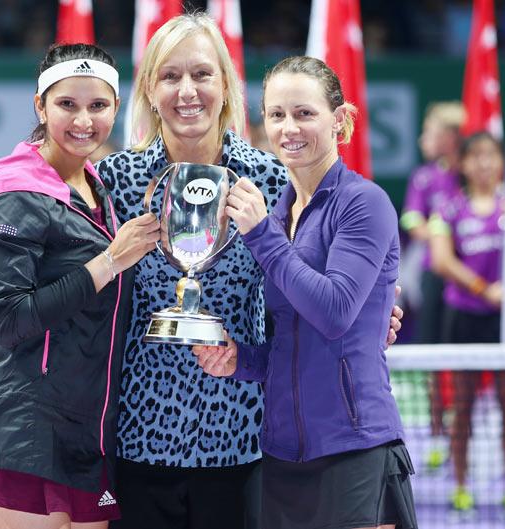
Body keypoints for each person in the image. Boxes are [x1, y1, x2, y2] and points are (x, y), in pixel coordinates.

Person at [96, 14, 403, 529]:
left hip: (243, 436)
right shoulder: (114, 181)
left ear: (226, 85)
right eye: (170, 76)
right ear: (149, 87)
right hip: (137, 433)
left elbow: (319, 289)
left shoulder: (272, 177)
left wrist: (374, 317)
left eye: (202, 74)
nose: (187, 90)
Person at [193, 56, 418, 529]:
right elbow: (291, 344)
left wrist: (261, 237)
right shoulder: (277, 216)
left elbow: (334, 312)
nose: (288, 128)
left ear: (339, 121)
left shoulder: (364, 203)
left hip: (355, 450)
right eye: (276, 115)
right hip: (281, 457)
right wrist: (240, 360)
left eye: (304, 113)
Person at [0, 43, 160, 529]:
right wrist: (111, 260)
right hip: (22, 425)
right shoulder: (12, 193)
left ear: (116, 109)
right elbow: (7, 320)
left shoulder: (96, 189)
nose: (83, 120)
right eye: (67, 104)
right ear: (40, 106)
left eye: (98, 105)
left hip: (89, 427)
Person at [429, 131, 505, 512]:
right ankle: (461, 485)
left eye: (492, 155)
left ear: (502, 161)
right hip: (463, 319)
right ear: (464, 164)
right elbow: (441, 260)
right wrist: (485, 288)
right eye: (477, 156)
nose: (484, 163)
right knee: (462, 406)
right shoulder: (447, 209)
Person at [400, 102, 465, 469]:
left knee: (466, 361)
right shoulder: (423, 178)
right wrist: (441, 236)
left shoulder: (470, 173)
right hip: (434, 276)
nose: (424, 139)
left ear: (450, 137)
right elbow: (412, 218)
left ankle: (459, 433)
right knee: (432, 355)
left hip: (472, 283)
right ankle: (438, 433)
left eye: (431, 131)